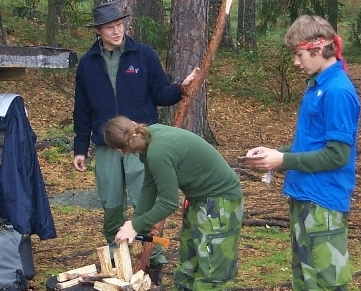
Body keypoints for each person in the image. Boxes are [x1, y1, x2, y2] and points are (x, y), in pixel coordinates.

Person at [72, 1, 198, 288]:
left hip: (141, 144)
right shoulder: (88, 63)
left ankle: (153, 262)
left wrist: (181, 88)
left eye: (119, 25)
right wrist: (80, 148)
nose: (116, 31)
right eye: (109, 27)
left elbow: (161, 93)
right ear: (99, 31)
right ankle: (117, 258)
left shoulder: (143, 55)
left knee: (145, 201)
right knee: (111, 203)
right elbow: (82, 109)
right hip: (106, 146)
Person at [245, 15, 361, 291]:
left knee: (326, 283)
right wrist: (274, 155)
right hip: (303, 196)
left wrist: (284, 160)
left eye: (299, 55)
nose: (296, 62)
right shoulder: (317, 86)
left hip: (324, 201)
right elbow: (309, 146)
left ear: (318, 49)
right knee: (306, 281)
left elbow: (336, 155)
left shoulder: (337, 92)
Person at [103, 115, 244, 291]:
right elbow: (149, 185)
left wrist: (137, 224)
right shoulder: (148, 140)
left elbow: (169, 203)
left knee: (211, 271)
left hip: (221, 201)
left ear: (119, 149)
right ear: (133, 123)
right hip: (198, 199)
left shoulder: (157, 151)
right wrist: (135, 222)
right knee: (188, 264)